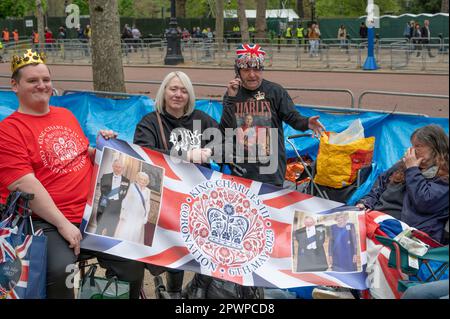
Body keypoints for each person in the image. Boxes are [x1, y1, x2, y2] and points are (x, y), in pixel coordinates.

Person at [182, 43, 325, 299]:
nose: (253, 75)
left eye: (257, 69)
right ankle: (238, 284)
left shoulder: (274, 91)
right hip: (239, 172)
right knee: (241, 230)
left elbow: (292, 117)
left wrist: (307, 122)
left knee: (267, 229)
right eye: (247, 69)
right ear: (238, 70)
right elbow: (224, 130)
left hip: (270, 173)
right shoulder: (233, 94)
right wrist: (230, 98)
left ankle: (263, 285)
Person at [0, 49, 145, 298]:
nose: (42, 85)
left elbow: (80, 152)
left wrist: (102, 147)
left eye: (45, 79)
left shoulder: (65, 115)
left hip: (94, 214)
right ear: (15, 85)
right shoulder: (9, 130)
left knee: (132, 262)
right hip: (46, 222)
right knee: (61, 272)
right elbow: (25, 183)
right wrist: (64, 225)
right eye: (32, 81)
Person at [134, 71, 219, 299]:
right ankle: (172, 292)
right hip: (166, 198)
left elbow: (225, 144)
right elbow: (143, 153)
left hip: (199, 197)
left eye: (183, 90)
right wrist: (186, 154)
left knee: (211, 242)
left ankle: (198, 288)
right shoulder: (151, 122)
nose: (178, 94)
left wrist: (210, 150)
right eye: (173, 89)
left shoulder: (202, 119)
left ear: (190, 95)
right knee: (174, 247)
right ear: (164, 92)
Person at [357, 125, 449, 244]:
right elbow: (378, 188)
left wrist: (412, 170)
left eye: (418, 146)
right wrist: (365, 203)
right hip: (378, 222)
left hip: (409, 235)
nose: (413, 150)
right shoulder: (401, 166)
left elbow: (424, 202)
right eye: (412, 145)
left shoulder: (444, 176)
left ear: (435, 148)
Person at [114, 172, 151, 245]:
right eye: (141, 179)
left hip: (140, 216)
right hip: (130, 213)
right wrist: (123, 212)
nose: (142, 181)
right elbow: (126, 199)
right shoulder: (132, 186)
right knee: (125, 231)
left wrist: (146, 217)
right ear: (137, 179)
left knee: (135, 234)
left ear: (146, 181)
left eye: (144, 180)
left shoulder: (148, 191)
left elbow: (147, 204)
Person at [96, 159, 130, 237]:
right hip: (105, 205)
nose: (117, 169)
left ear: (122, 168)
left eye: (119, 167)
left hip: (116, 208)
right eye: (116, 166)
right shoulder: (105, 176)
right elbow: (103, 190)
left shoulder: (127, 181)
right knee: (99, 228)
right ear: (113, 167)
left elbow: (124, 195)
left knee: (111, 231)